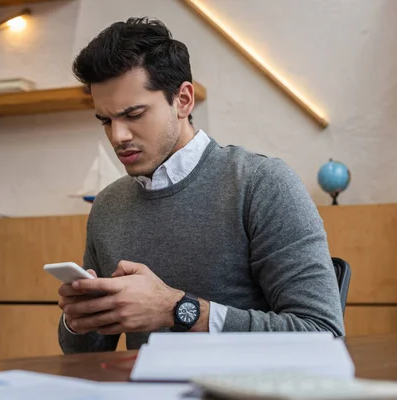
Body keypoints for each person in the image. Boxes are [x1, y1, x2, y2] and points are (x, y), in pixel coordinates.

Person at [57, 17, 344, 353]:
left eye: (133, 115)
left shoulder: (261, 184)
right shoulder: (108, 206)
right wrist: (78, 320)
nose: (118, 136)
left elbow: (324, 334)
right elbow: (86, 355)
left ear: (183, 100)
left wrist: (177, 309)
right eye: (106, 120)